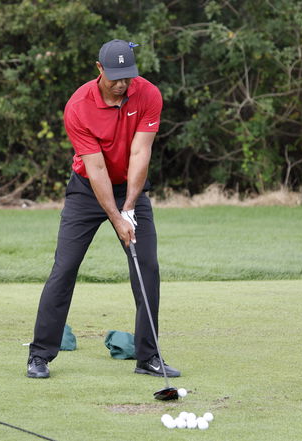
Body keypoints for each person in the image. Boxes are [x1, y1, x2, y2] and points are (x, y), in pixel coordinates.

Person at [27, 39, 181, 379]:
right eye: (115, 77)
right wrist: (115, 216)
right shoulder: (79, 106)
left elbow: (141, 154)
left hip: (131, 189)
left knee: (148, 268)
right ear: (99, 70)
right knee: (64, 268)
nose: (122, 84)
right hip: (86, 190)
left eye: (128, 76)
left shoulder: (148, 95)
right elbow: (96, 169)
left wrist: (129, 208)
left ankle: (148, 357)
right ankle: (39, 355)